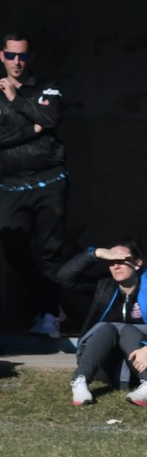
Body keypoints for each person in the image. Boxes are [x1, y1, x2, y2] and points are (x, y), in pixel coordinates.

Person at [0, 32, 67, 338]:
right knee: (13, 249)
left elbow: (51, 119)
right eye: (12, 55)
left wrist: (17, 100)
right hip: (12, 184)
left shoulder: (46, 86)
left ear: (30, 58)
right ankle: (47, 298)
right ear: (2, 56)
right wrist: (32, 127)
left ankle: (50, 315)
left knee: (51, 251)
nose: (17, 62)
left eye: (23, 56)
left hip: (49, 180)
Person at [61, 242, 147, 407]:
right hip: (108, 368)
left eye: (122, 260)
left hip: (144, 363)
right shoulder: (104, 286)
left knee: (128, 330)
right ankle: (80, 382)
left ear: (137, 263)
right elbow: (64, 278)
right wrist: (96, 254)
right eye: (111, 261)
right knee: (107, 328)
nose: (115, 265)